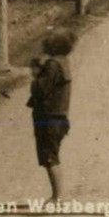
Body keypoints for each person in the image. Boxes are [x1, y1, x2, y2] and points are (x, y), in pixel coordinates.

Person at [27, 28, 75, 203]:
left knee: (49, 157)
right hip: (59, 117)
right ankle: (58, 194)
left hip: (49, 117)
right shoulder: (63, 62)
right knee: (52, 155)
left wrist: (35, 73)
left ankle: (58, 196)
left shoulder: (52, 65)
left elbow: (40, 89)